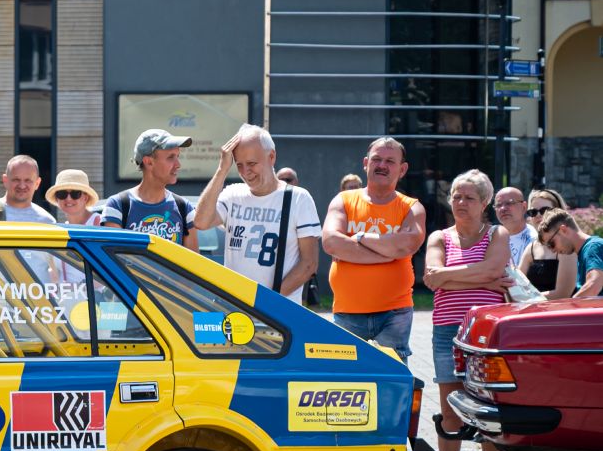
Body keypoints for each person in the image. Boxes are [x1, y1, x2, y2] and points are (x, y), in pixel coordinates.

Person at [422, 170, 513, 451]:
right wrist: (484, 281)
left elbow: (493, 269)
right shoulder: (439, 237)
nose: (461, 202)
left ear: (484, 202)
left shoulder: (497, 234)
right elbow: (431, 279)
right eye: (456, 196)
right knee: (450, 408)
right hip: (447, 330)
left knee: (489, 407)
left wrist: (450, 276)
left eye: (469, 197)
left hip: (486, 334)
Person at [321, 137, 426, 362]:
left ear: (402, 169)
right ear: (365, 163)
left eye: (390, 161)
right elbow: (331, 242)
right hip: (347, 311)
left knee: (389, 377)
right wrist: (387, 254)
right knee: (346, 377)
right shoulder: (343, 200)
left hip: (394, 314)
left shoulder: (412, 207)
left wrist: (360, 237)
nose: (382, 165)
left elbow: (407, 244)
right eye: (377, 159)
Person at [194, 126, 320, 302]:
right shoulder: (233, 194)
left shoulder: (298, 198)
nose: (245, 172)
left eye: (252, 164)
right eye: (239, 165)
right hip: (235, 309)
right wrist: (222, 170)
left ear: (271, 157)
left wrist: (265, 303)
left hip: (275, 311)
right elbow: (201, 222)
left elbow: (309, 264)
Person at [101, 129, 198, 250]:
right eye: (171, 157)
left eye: (177, 156)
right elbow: (114, 258)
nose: (178, 164)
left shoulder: (184, 208)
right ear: (149, 162)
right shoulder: (117, 206)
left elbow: (193, 260)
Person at [517, 189, 577, 300]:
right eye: (533, 212)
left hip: (561, 309)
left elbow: (563, 293)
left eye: (544, 210)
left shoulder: (566, 246)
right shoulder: (531, 248)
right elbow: (518, 285)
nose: (538, 215)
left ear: (558, 212)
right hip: (532, 308)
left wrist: (527, 299)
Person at [0, 154, 56, 224]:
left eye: (28, 180)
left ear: (37, 183)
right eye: (16, 180)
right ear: (5, 180)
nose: (22, 186)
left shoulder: (47, 222)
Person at [536, 209, 603, 298]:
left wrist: (572, 304)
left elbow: (593, 286)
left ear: (563, 230)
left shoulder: (592, 247)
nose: (552, 250)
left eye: (551, 244)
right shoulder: (585, 251)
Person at [492, 186, 532, 267]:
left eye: (509, 203)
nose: (503, 208)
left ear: (524, 207)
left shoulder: (533, 239)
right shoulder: (489, 237)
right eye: (498, 205)